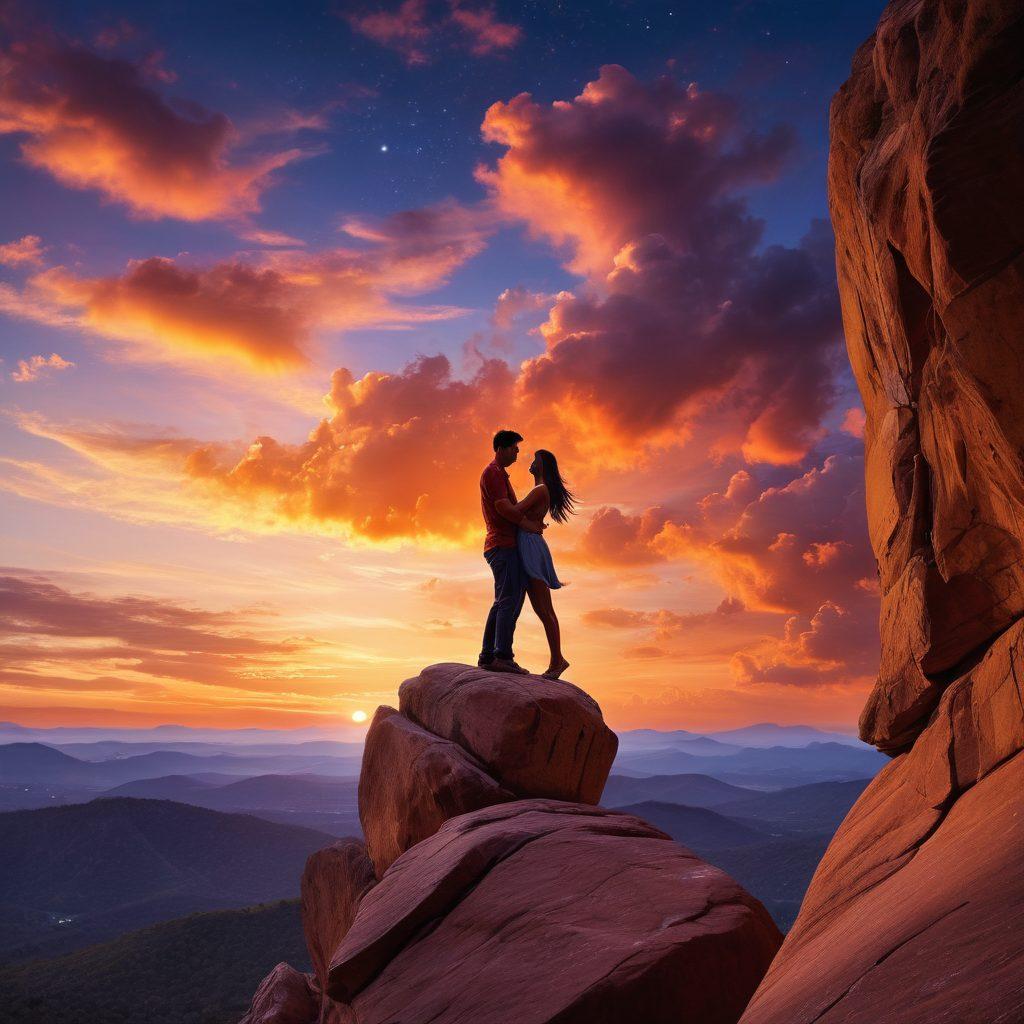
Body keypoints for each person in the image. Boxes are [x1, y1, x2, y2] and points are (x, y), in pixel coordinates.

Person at [478, 429, 546, 674]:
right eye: (515, 448)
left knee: (502, 601)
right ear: (502, 448)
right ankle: (502, 656)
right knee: (510, 601)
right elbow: (505, 508)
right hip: (503, 545)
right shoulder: (493, 473)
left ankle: (488, 656)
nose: (518, 452)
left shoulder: (499, 475)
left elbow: (509, 509)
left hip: (501, 545)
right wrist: (529, 525)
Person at [513, 449, 576, 679]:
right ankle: (557, 659)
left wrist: (501, 500)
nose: (531, 462)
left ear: (542, 466)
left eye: (535, 459)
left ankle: (557, 660)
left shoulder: (540, 490)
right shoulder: (540, 490)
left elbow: (515, 511)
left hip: (531, 547)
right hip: (532, 544)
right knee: (542, 609)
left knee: (544, 609)